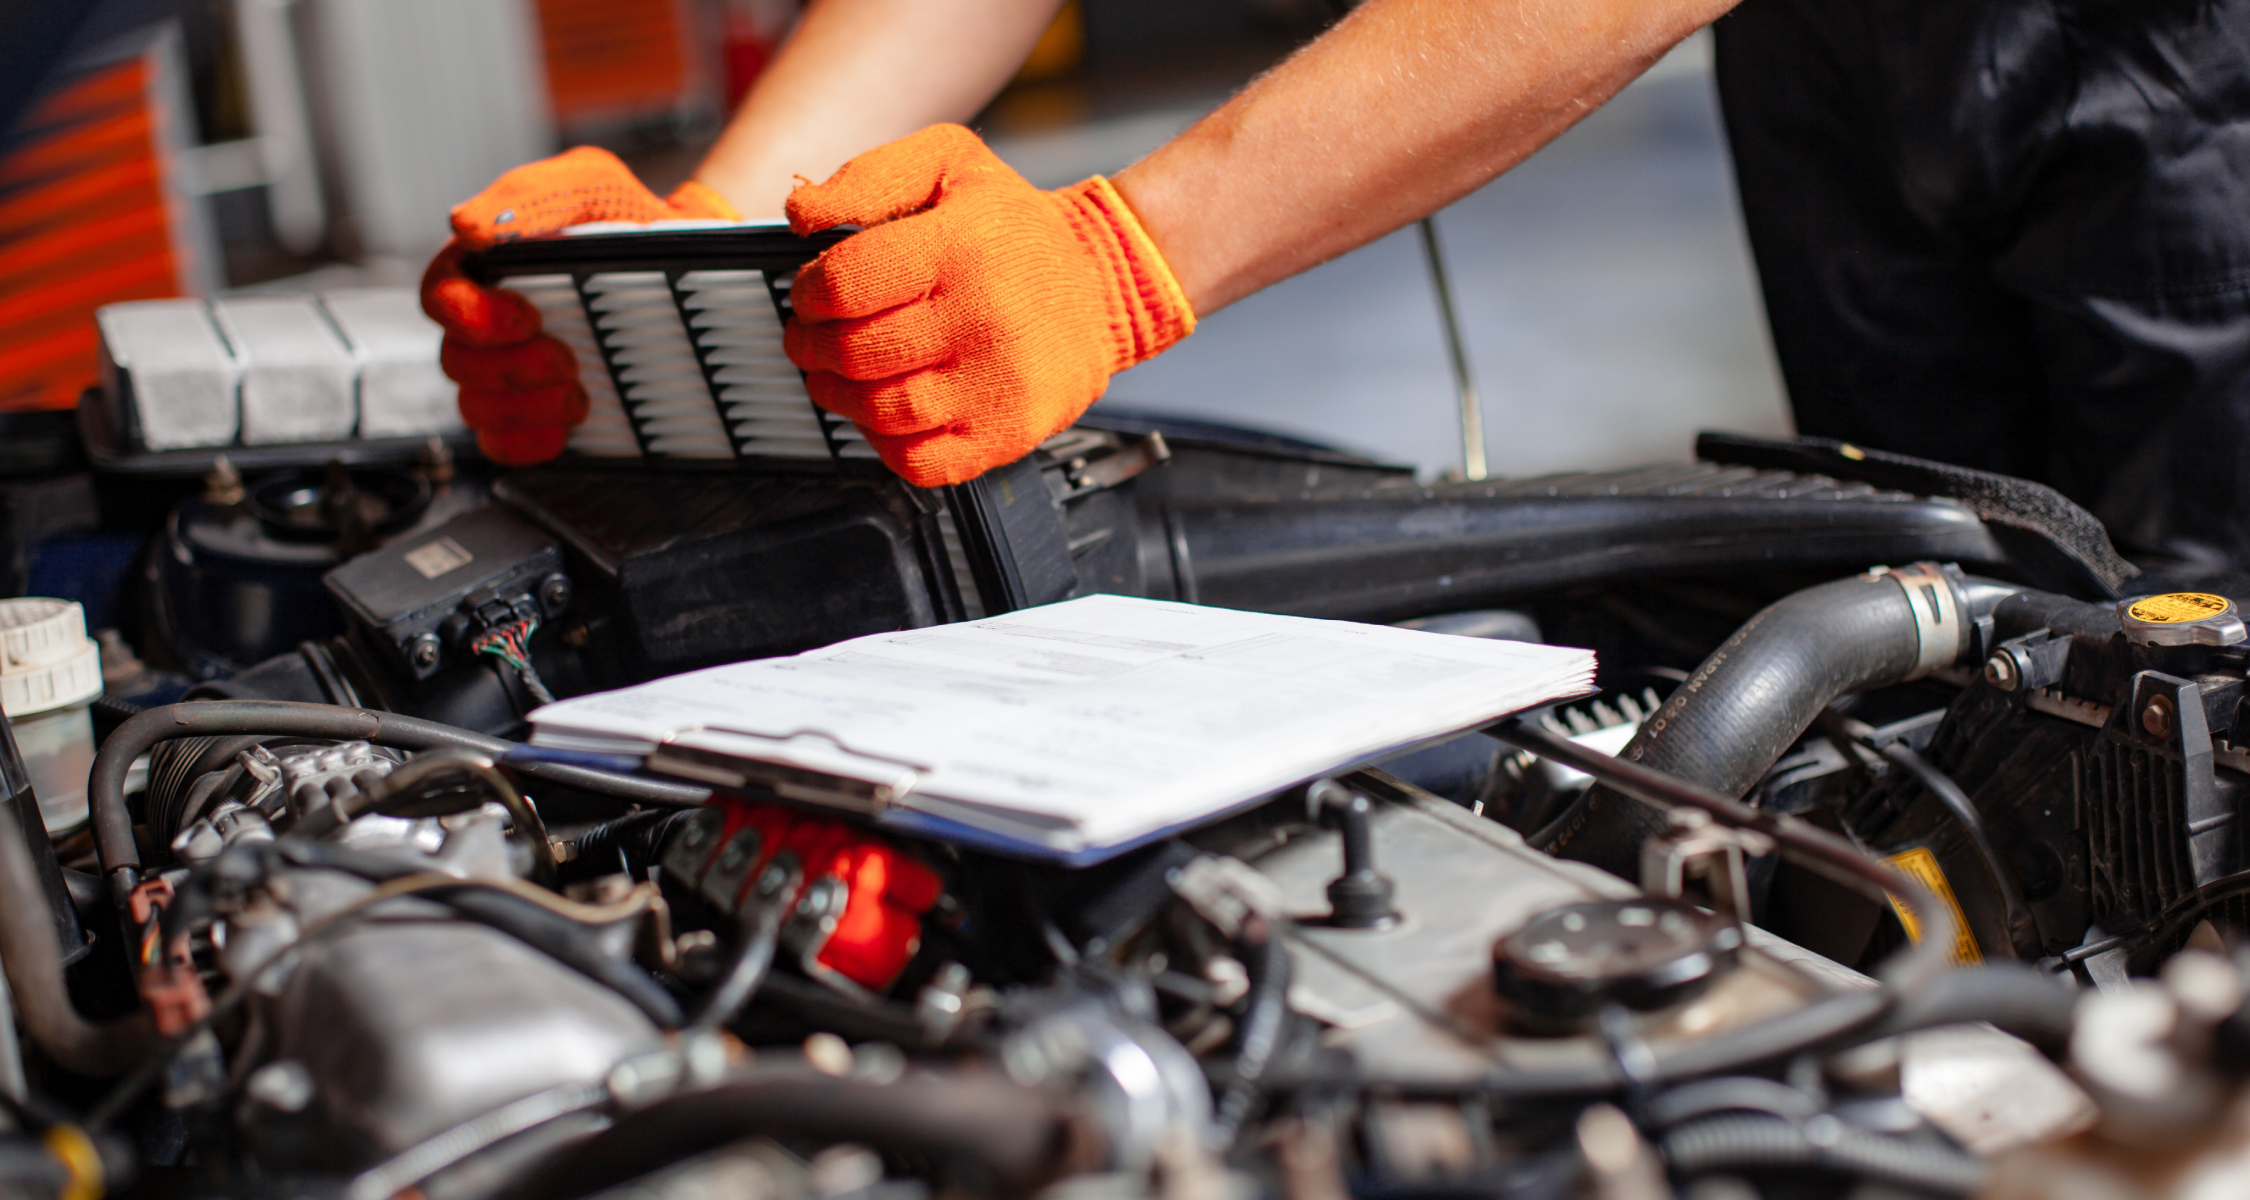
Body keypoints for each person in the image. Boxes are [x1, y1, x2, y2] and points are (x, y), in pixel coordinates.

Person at [423, 0, 2250, 565]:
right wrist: (706, 235)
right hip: (1836, 52)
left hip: (2177, 54)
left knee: (2210, 672)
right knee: (1973, 614)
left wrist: (1124, 253)